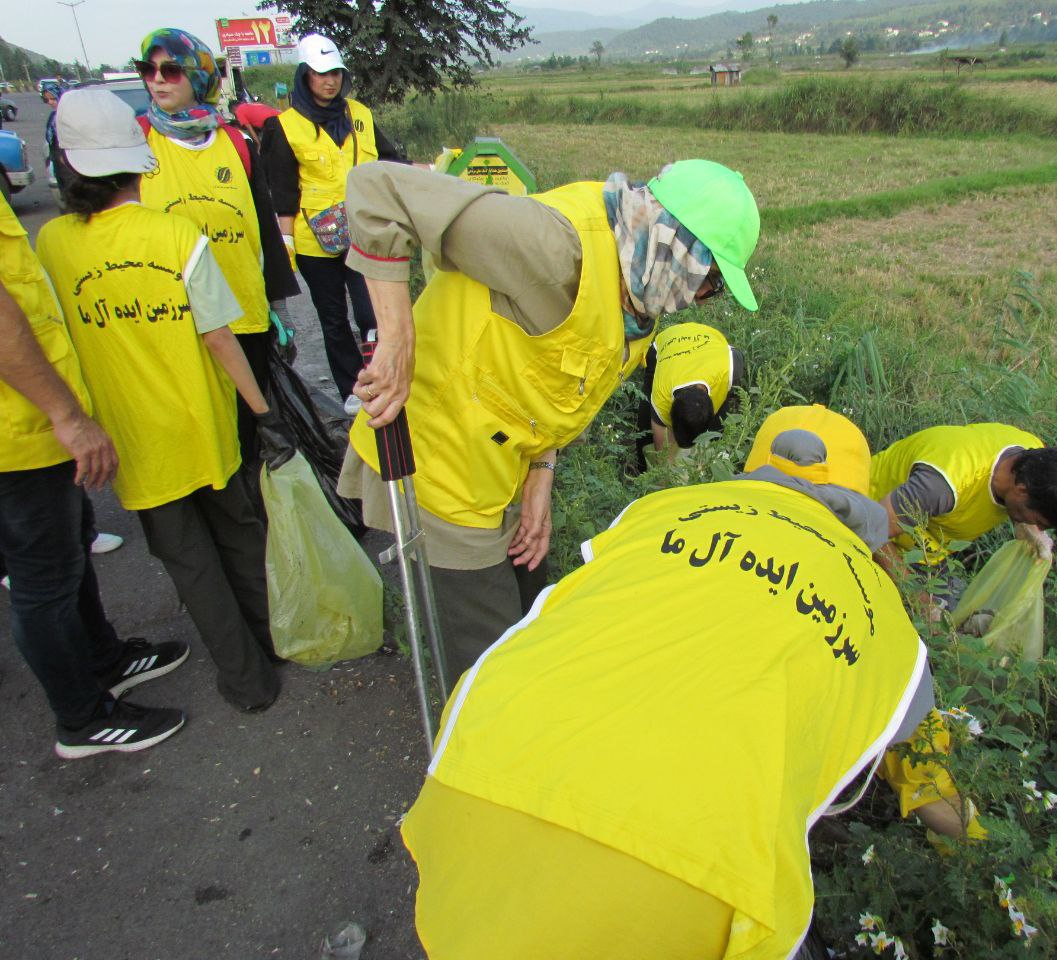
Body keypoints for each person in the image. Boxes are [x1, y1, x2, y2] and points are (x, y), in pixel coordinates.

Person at [398, 405, 935, 959]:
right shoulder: (879, 611)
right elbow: (913, 738)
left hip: (480, 765)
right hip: (691, 875)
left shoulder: (659, 510)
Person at [339, 158, 761, 690]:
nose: (703, 299)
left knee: (528, 623)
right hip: (439, 464)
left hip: (510, 469)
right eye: (711, 281)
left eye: (714, 289)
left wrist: (542, 471)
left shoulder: (639, 292)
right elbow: (377, 192)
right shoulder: (554, 245)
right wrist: (396, 339)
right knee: (489, 668)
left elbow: (567, 386)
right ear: (678, 244)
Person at [37, 89, 294, 712]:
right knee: (239, 534)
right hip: (203, 424)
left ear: (67, 165)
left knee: (190, 565)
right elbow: (218, 337)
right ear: (135, 162)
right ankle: (279, 641)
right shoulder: (177, 236)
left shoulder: (51, 245)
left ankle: (247, 681)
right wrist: (263, 412)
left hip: (134, 438)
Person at [0, 193, 188, 759]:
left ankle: (104, 658)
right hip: (20, 429)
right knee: (42, 582)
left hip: (36, 419)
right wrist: (67, 416)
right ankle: (82, 718)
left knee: (70, 547)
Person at [134, 28, 299, 479]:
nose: (157, 80)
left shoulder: (236, 144)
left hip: (242, 311)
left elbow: (261, 230)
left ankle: (254, 519)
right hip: (176, 317)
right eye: (148, 70)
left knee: (251, 425)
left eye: (170, 70)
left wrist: (277, 310)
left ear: (197, 76)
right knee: (196, 424)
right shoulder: (140, 143)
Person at [258, 33, 406, 403]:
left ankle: (379, 377)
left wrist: (429, 171)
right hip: (314, 241)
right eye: (321, 74)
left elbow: (389, 160)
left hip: (362, 232)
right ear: (304, 76)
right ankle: (351, 390)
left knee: (370, 313)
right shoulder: (285, 127)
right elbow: (283, 190)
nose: (330, 81)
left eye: (336, 73)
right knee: (334, 318)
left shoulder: (360, 115)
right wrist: (287, 242)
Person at [870, 423, 1057, 586]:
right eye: (1039, 522)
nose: (1038, 528)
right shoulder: (945, 483)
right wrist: (916, 597)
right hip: (869, 525)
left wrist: (1029, 529)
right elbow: (870, 530)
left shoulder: (1031, 454)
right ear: (1021, 491)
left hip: (925, 551)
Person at [637, 320, 745, 468]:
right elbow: (663, 455)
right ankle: (641, 462)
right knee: (646, 407)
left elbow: (732, 352)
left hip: (708, 338)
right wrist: (664, 472)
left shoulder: (731, 368)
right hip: (668, 341)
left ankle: (714, 454)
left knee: (720, 420)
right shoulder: (661, 397)